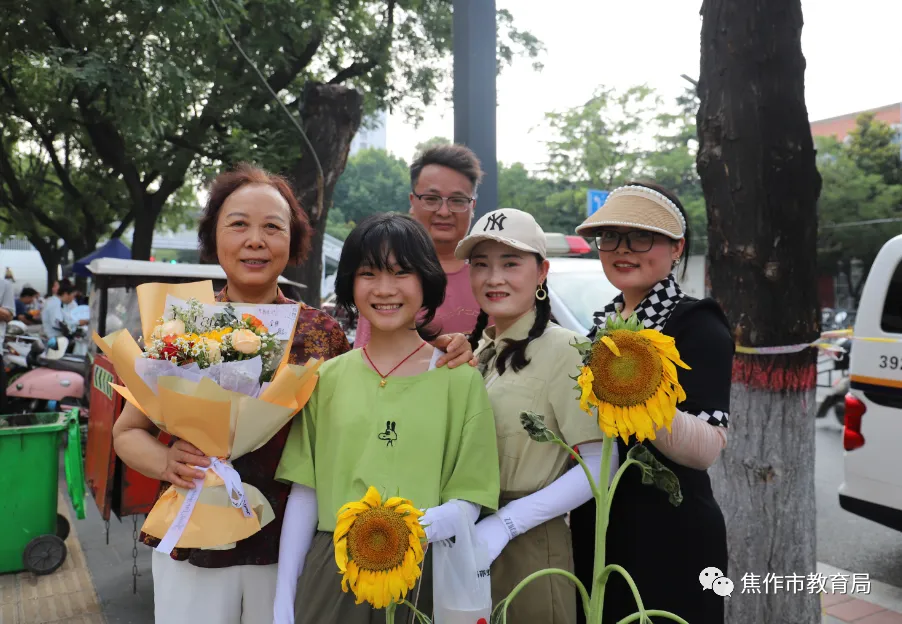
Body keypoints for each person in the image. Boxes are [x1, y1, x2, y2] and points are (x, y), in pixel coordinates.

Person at [110, 164, 474, 624]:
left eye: (272, 228)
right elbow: (128, 433)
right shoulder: (181, 324)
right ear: (213, 235)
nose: (255, 240)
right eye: (238, 224)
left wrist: (440, 348)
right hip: (194, 534)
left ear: (293, 241)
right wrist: (166, 462)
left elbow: (376, 378)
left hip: (291, 545)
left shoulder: (320, 333)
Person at [274, 213, 501, 624]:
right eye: (368, 273)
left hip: (426, 571)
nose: (384, 289)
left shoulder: (460, 381)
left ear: (426, 280)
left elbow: (470, 500)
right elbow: (305, 495)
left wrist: (402, 531)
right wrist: (283, 605)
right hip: (334, 572)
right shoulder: (326, 379)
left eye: (401, 273)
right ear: (350, 283)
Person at [569, 182, 733, 624]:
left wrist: (636, 390)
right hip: (601, 529)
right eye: (611, 237)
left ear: (677, 247)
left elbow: (707, 448)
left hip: (671, 534)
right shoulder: (601, 325)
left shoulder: (698, 323)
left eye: (640, 236)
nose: (622, 250)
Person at [456, 208, 614, 624]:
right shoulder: (477, 353)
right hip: (467, 538)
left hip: (529, 544)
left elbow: (600, 465)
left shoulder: (567, 349)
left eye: (511, 264)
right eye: (481, 265)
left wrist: (507, 524)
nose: (494, 278)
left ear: (541, 271)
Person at [353, 144, 484, 347]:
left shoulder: (493, 276)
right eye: (431, 199)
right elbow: (369, 358)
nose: (443, 211)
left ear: (472, 206)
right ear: (412, 202)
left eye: (457, 201)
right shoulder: (388, 275)